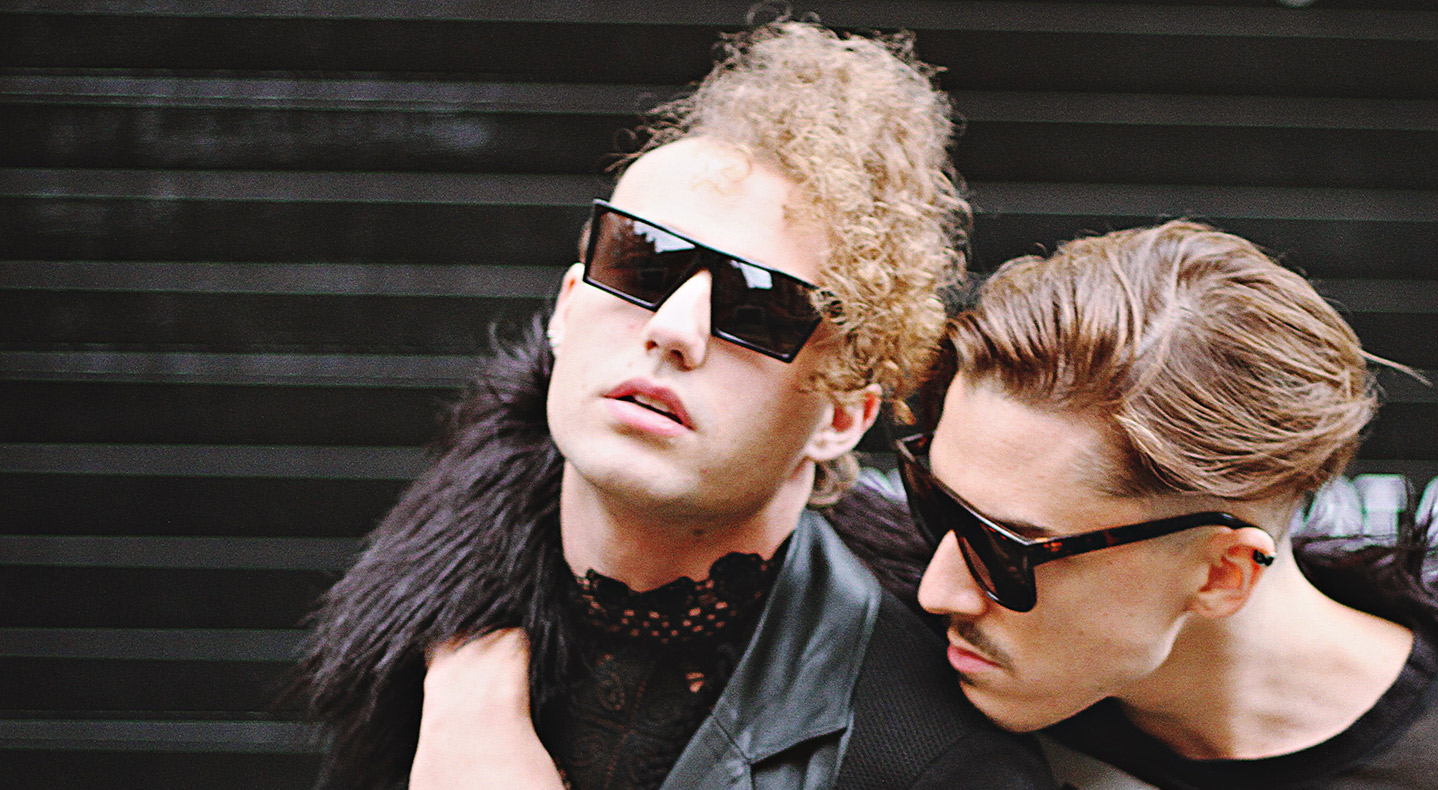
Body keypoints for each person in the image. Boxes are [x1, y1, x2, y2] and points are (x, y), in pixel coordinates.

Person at [294, 21, 1053, 790]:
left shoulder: (935, 758)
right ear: (566, 306)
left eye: (757, 308)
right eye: (642, 265)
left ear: (843, 416)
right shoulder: (420, 629)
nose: (674, 329)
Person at [897, 220, 1438, 789]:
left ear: (1224, 574)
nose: (938, 587)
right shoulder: (878, 613)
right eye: (933, 502)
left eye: (1007, 550)